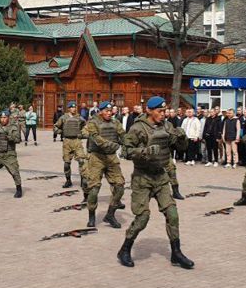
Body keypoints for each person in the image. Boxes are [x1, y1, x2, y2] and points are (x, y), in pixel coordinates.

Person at [117, 96, 193, 269]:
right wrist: (144, 151)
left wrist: (182, 138)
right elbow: (125, 151)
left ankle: (176, 253)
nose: (163, 114)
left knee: (172, 214)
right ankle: (125, 249)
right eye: (160, 111)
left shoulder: (167, 126)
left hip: (161, 177)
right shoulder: (138, 128)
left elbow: (181, 148)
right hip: (142, 179)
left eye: (164, 111)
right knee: (143, 218)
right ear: (149, 111)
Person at [82, 101, 126, 228]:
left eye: (110, 110)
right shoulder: (93, 122)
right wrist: (110, 144)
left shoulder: (115, 122)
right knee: (94, 189)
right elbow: (96, 138)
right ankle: (91, 215)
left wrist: (128, 145)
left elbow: (123, 135)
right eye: (106, 111)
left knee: (119, 187)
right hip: (97, 158)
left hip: (111, 157)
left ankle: (110, 215)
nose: (109, 113)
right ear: (100, 111)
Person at [54, 102, 86, 188]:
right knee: (67, 163)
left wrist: (82, 134)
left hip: (77, 141)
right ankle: (68, 181)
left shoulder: (79, 118)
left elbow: (85, 127)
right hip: (67, 142)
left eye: (75, 107)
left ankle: (83, 181)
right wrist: (62, 132)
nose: (74, 109)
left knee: (82, 161)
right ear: (68, 108)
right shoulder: (63, 118)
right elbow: (55, 127)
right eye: (72, 107)